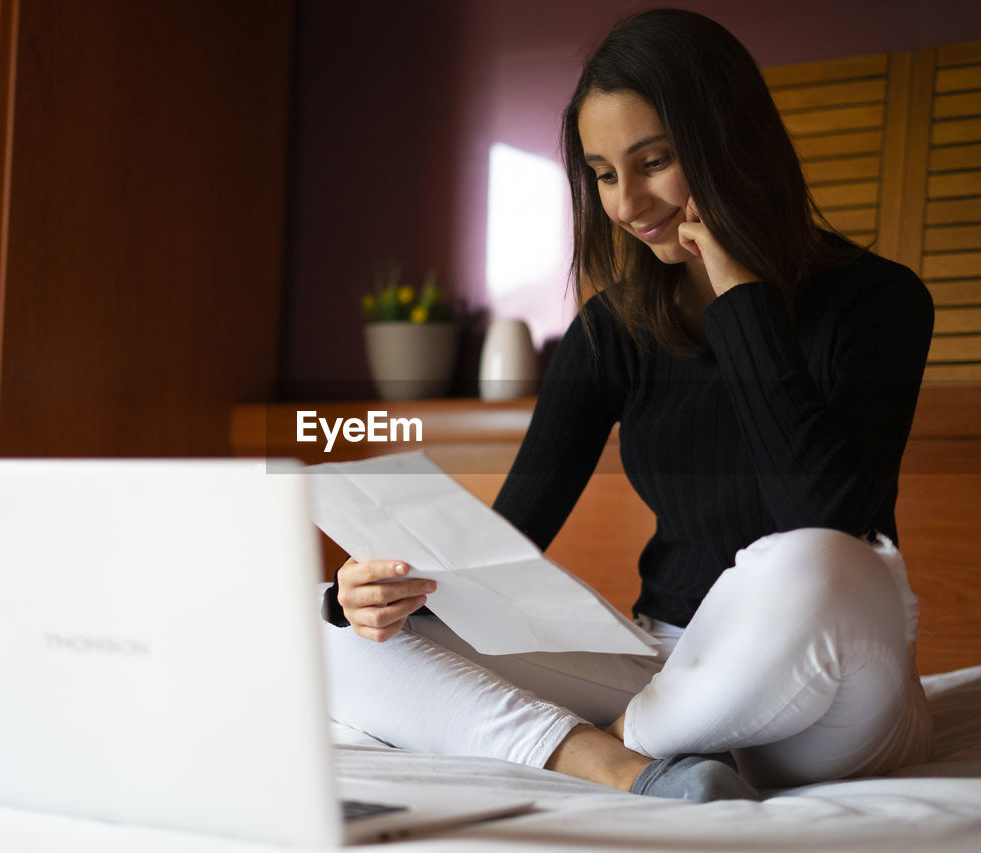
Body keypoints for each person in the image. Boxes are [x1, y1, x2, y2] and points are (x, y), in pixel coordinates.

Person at [320, 8, 935, 801]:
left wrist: (739, 298)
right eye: (605, 173)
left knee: (821, 559)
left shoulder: (879, 304)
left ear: (729, 149)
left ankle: (623, 740)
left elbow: (821, 510)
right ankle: (620, 766)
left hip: (829, 685)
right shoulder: (613, 331)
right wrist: (372, 594)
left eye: (653, 162)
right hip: (666, 663)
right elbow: (507, 548)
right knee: (329, 626)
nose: (626, 203)